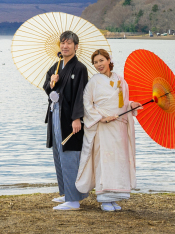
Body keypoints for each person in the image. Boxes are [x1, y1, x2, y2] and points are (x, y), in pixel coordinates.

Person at [75, 49, 142, 212]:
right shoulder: (94, 82)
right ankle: (104, 198)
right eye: (95, 62)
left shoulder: (121, 80)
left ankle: (114, 197)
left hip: (119, 127)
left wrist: (131, 105)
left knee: (118, 160)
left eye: (101, 60)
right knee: (104, 160)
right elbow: (86, 104)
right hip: (103, 127)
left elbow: (123, 103)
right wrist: (101, 118)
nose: (99, 64)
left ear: (108, 60)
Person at [43, 30, 89, 211]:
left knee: (70, 153)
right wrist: (51, 82)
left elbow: (80, 95)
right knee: (58, 152)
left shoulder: (79, 68)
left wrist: (77, 118)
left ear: (76, 47)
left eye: (69, 43)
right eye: (63, 43)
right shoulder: (55, 67)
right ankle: (65, 193)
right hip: (55, 113)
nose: (65, 46)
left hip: (70, 116)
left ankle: (74, 199)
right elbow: (47, 89)